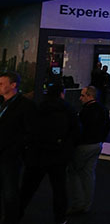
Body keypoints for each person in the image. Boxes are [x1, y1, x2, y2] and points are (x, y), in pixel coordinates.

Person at [20, 80, 79, 224]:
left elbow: (29, 130)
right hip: (58, 156)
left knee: (27, 188)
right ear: (62, 94)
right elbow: (76, 132)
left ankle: (16, 214)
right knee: (59, 189)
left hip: (38, 154)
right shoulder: (69, 110)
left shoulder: (39, 108)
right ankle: (60, 218)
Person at [66, 85, 110, 215]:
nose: (80, 98)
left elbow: (79, 130)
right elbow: (107, 127)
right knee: (88, 174)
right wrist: (101, 140)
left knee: (74, 172)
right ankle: (86, 204)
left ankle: (78, 203)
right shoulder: (103, 109)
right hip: (97, 145)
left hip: (84, 146)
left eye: (82, 95)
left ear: (90, 96)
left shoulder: (86, 111)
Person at [0, 71, 36, 224]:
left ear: (13, 85)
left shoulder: (25, 106)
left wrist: (15, 149)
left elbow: (30, 132)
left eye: (1, 84)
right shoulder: (2, 103)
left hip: (10, 157)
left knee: (10, 192)